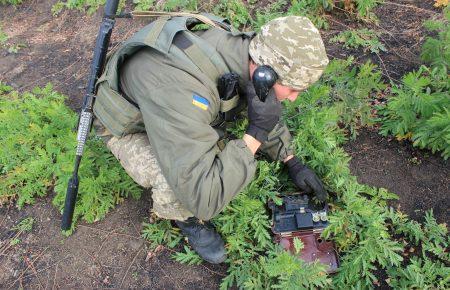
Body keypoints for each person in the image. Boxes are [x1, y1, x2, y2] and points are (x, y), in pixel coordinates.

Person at [93, 14, 329, 264]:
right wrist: (256, 133)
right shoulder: (183, 94)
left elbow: (261, 102)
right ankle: (185, 220)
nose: (293, 98)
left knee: (220, 137)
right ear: (264, 73)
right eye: (292, 89)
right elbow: (202, 197)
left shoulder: (246, 52)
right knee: (176, 182)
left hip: (168, 101)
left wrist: (290, 160)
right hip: (131, 125)